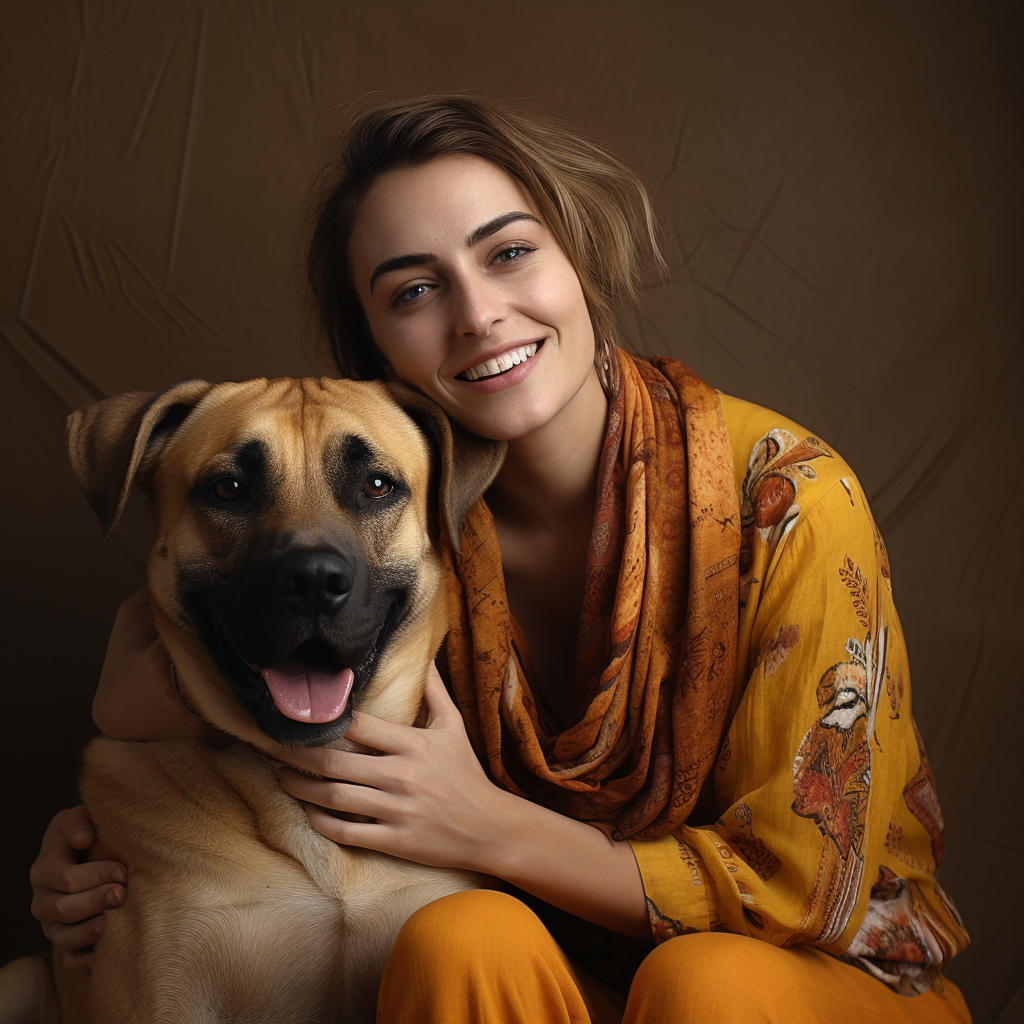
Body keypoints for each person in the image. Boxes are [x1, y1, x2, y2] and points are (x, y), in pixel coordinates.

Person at [29, 95, 972, 1022]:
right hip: (561, 979)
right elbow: (232, 646)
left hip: (799, 978)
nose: (478, 313)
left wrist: (492, 828)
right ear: (376, 354)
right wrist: (95, 840)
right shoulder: (400, 510)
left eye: (510, 251)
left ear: (579, 254)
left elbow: (807, 888)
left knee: (704, 984)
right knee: (459, 938)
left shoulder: (792, 501)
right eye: (414, 290)